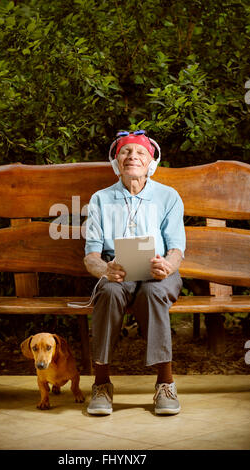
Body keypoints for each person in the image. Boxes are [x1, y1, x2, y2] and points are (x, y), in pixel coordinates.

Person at [83, 130, 186, 416]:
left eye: (140, 152)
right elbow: (91, 256)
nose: (133, 157)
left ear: (151, 162)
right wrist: (106, 269)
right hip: (117, 270)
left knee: (154, 292)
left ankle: (165, 383)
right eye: (126, 152)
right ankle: (101, 384)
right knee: (108, 291)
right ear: (117, 161)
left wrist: (167, 265)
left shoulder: (168, 197)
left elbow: (177, 249)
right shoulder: (100, 199)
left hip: (158, 272)